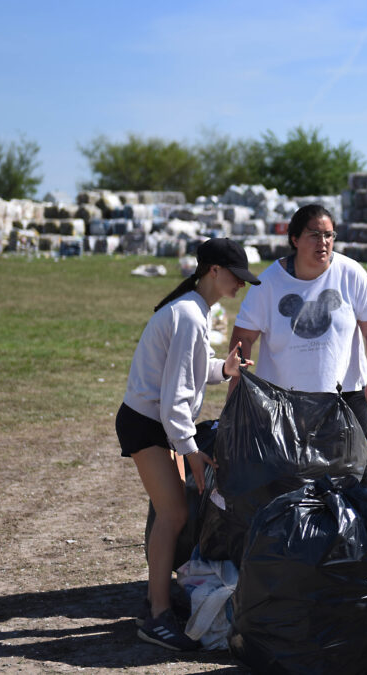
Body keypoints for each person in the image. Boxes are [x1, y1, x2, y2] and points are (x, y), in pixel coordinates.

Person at [115, 237, 260, 651]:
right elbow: (175, 396)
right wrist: (190, 448)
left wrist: (222, 368)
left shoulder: (194, 311)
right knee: (174, 513)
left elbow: (187, 372)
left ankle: (158, 599)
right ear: (214, 271)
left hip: (159, 423)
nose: (241, 286)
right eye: (237, 277)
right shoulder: (190, 316)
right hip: (148, 425)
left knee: (173, 514)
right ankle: (158, 615)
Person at [227, 204, 367, 436]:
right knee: (287, 471)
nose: (323, 241)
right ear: (295, 239)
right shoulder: (270, 283)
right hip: (283, 400)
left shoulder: (351, 273)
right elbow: (243, 338)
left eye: (328, 235)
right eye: (314, 235)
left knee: (353, 471)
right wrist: (236, 395)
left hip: (345, 396)